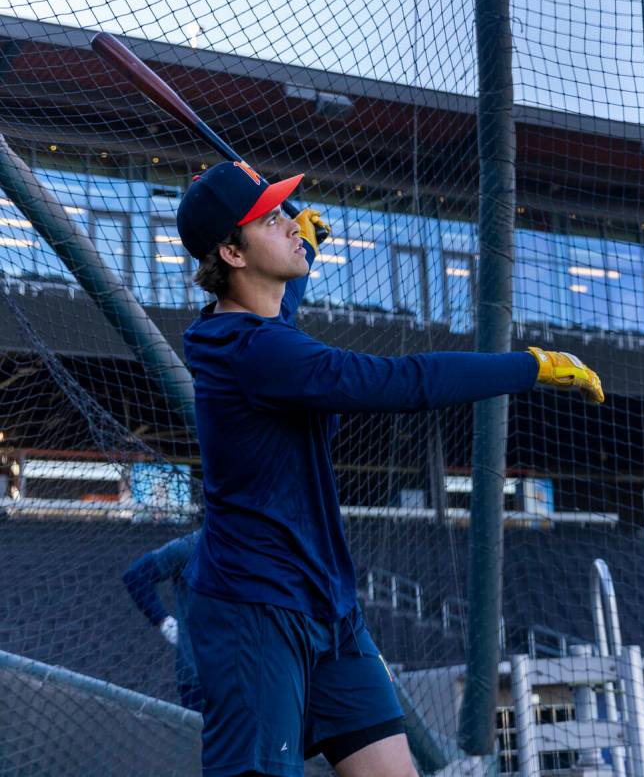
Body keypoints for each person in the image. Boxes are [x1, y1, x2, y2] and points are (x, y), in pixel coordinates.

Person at [175, 160, 604, 777]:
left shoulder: (255, 327)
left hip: (330, 605)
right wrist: (529, 367)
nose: (293, 223)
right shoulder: (257, 354)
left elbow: (278, 310)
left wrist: (305, 254)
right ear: (232, 254)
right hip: (257, 612)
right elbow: (404, 380)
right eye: (273, 219)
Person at [122, 530, 204, 712]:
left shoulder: (263, 548)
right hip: (199, 679)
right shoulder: (192, 545)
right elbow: (136, 575)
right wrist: (164, 622)